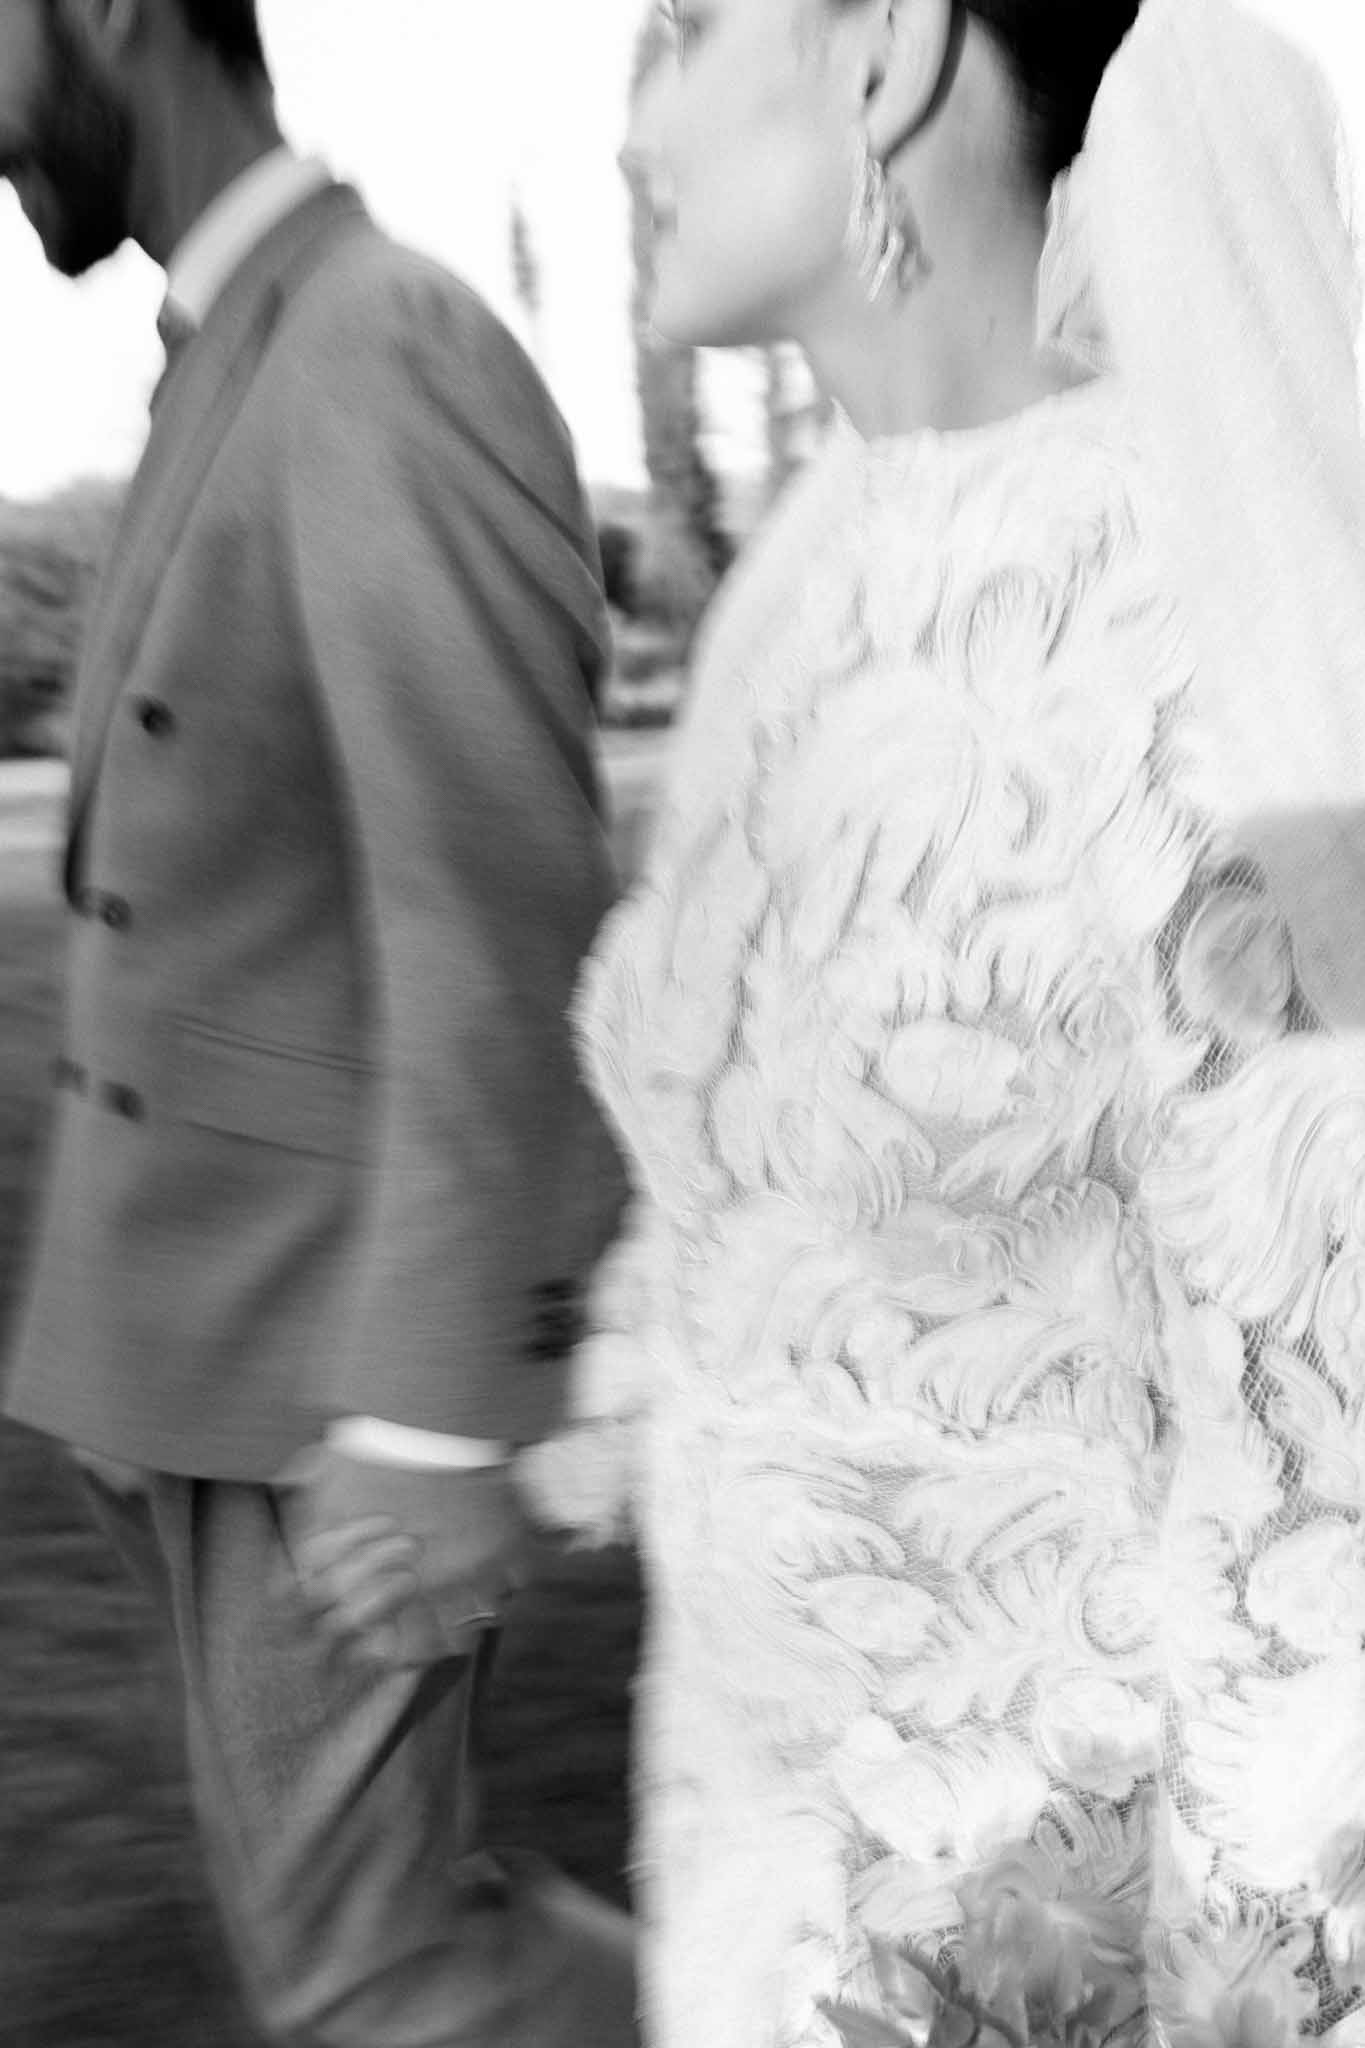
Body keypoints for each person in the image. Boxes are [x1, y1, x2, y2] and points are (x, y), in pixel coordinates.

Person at [520, 0, 1365, 2041]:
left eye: (688, 27)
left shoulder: (1177, 600)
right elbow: (744, 1157)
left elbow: (1303, 1458)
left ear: (887, 53)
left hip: (1032, 1938)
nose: (631, 130)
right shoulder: (798, 577)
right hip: (740, 1838)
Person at [0, 2, 637, 2043]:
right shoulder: (237, 344)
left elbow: (496, 907)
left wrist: (436, 1417)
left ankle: (810, 1992)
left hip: (324, 1379)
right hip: (193, 1365)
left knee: (377, 1977)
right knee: (362, 1955)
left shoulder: (381, 343)